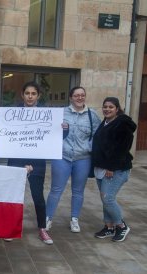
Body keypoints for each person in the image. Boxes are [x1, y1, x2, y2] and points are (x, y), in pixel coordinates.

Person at [0, 81, 53, 245]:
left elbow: (55, 138)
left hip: (37, 162)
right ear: (22, 95)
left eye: (34, 94)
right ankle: (11, 227)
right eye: (27, 93)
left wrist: (64, 128)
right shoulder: (12, 112)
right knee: (13, 195)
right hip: (16, 160)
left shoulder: (47, 115)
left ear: (38, 96)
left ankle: (42, 229)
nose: (30, 96)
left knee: (38, 197)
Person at [46, 86, 101, 233]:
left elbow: (98, 135)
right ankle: (47, 218)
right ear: (70, 97)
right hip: (62, 156)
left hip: (83, 158)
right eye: (76, 95)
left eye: (82, 95)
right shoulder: (61, 113)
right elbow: (50, 131)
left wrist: (89, 147)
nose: (80, 98)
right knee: (56, 189)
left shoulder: (92, 115)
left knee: (78, 191)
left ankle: (74, 219)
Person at [92, 97, 136, 242]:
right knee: (105, 198)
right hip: (102, 168)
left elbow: (122, 148)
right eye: (105, 107)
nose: (107, 109)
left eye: (111, 107)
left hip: (116, 169)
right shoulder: (105, 122)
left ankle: (121, 226)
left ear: (117, 109)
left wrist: (111, 166)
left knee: (108, 198)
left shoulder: (122, 124)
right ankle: (109, 227)